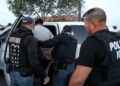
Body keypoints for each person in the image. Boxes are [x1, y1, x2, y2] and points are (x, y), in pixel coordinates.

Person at [69, 7, 120, 86]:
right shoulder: (116, 38)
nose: (84, 26)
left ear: (93, 24)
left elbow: (79, 79)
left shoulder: (92, 43)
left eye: (85, 23)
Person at [7, 17, 49, 86]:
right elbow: (34, 62)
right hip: (24, 76)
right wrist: (44, 76)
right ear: (31, 25)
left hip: (12, 72)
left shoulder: (12, 35)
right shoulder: (30, 38)